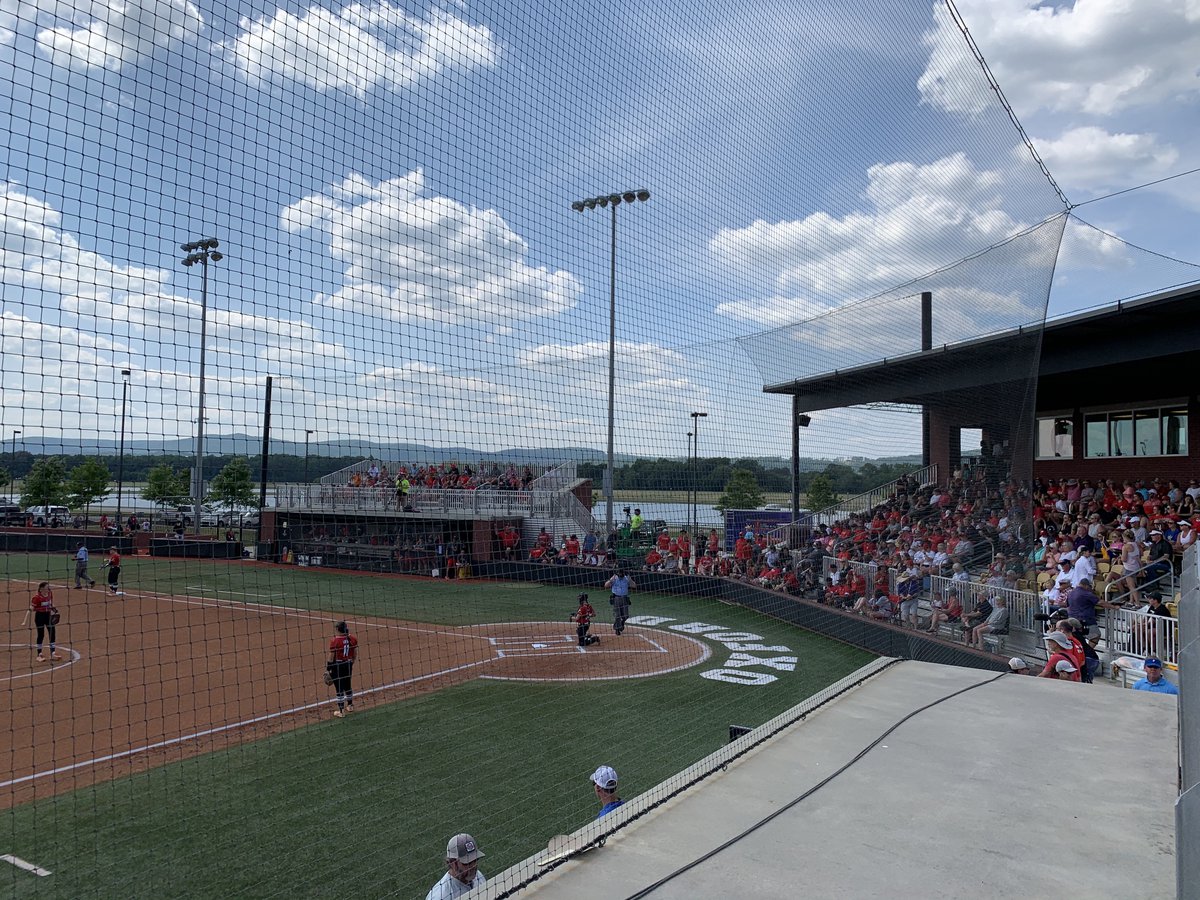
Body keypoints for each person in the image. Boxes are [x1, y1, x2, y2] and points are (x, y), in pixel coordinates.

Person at [425, 833, 486, 900]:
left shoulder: (478, 875)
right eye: (467, 863)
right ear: (451, 863)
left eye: (475, 860)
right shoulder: (441, 896)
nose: (473, 866)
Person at [326, 620, 358, 718]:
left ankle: (341, 711)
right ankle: (350, 705)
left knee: (339, 688)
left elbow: (331, 656)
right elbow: (354, 653)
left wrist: (328, 668)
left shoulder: (335, 641)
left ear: (337, 629)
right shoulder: (352, 638)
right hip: (348, 664)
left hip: (338, 666)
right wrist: (351, 662)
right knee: (348, 685)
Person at [21, 582, 59, 662]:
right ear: (41, 589)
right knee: (41, 634)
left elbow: (50, 603)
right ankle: (39, 654)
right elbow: (30, 609)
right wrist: (24, 620)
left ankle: (53, 653)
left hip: (48, 616)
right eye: (47, 588)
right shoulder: (37, 598)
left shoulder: (49, 594)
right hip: (39, 617)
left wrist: (54, 609)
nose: (48, 589)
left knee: (52, 632)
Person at [605, 568, 635, 636]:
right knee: (617, 615)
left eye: (622, 574)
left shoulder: (626, 579)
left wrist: (630, 580)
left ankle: (621, 624)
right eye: (619, 574)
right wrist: (611, 580)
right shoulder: (614, 579)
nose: (621, 575)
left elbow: (634, 586)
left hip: (625, 598)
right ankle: (617, 629)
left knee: (625, 615)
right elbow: (606, 585)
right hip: (616, 598)